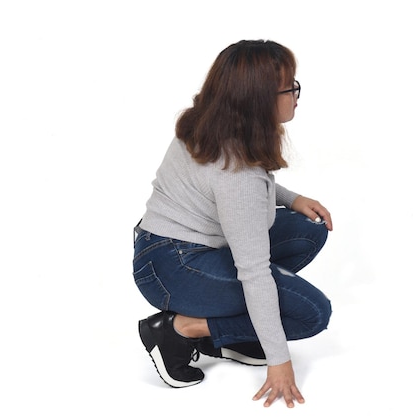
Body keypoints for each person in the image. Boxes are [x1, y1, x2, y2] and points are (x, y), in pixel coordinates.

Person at [132, 39, 333, 408]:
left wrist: (292, 199)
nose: (296, 94)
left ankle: (231, 332)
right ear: (259, 99)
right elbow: (253, 270)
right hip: (174, 265)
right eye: (291, 87)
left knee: (310, 230)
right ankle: (182, 329)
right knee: (311, 313)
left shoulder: (214, 122)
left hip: (165, 248)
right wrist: (279, 360)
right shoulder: (238, 171)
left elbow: (229, 192)